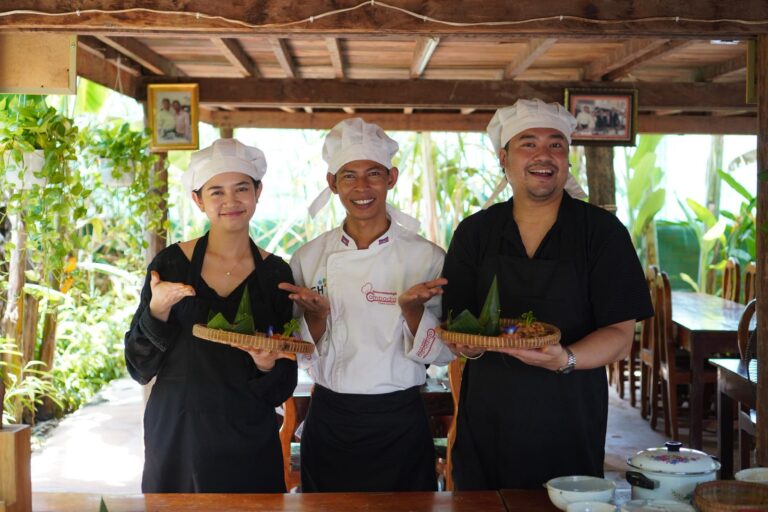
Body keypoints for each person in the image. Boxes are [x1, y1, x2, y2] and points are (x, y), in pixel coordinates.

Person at [442, 99, 653, 490]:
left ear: (568, 160)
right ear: (503, 158)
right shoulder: (475, 232)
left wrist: (564, 359)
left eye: (556, 144)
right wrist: (467, 345)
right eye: (529, 143)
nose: (544, 155)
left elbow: (620, 335)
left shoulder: (602, 233)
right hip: (489, 415)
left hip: (569, 413)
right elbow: (459, 326)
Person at [278, 118, 454, 492]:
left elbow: (443, 355)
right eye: (348, 176)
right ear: (332, 183)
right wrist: (316, 317)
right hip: (331, 416)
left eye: (373, 174)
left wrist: (412, 311)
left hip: (401, 417)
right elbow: (295, 352)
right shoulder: (309, 258)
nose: (362, 187)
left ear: (391, 178)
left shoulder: (426, 257)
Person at [124, 138, 297, 493]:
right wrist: (158, 310)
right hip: (178, 436)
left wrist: (267, 365)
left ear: (258, 192)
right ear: (198, 200)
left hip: (249, 437)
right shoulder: (170, 265)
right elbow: (139, 367)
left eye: (241, 188)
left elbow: (284, 381)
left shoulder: (275, 275)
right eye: (216, 192)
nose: (230, 201)